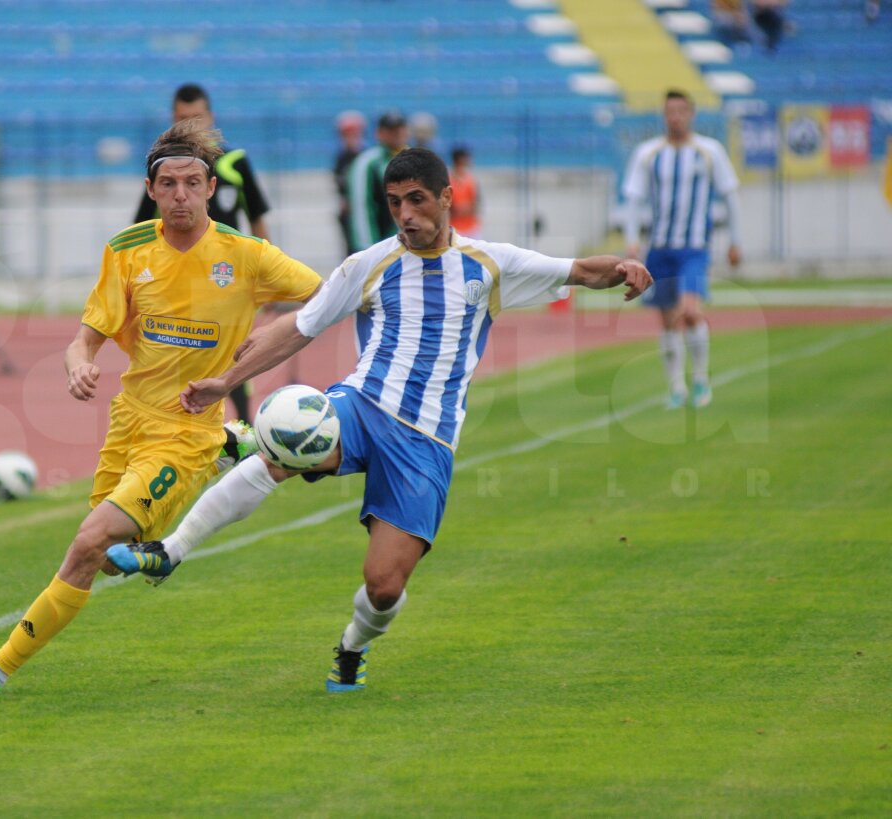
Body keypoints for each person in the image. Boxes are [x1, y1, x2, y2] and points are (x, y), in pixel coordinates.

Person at [107, 148, 652, 692]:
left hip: (426, 441)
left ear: (446, 198)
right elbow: (302, 325)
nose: (405, 214)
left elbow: (580, 271)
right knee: (291, 435)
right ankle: (172, 549)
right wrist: (226, 382)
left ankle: (352, 646)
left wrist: (625, 268)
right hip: (362, 406)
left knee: (384, 586)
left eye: (416, 200)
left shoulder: (490, 264)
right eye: (394, 203)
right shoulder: (369, 265)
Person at [0, 120, 321, 697]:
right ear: (151, 190)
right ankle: (229, 447)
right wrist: (78, 363)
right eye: (168, 184)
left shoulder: (246, 255)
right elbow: (85, 338)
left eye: (192, 183)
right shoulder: (127, 250)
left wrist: (268, 337)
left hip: (185, 431)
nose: (180, 196)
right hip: (129, 421)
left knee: (87, 541)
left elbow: (326, 296)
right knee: (102, 559)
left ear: (210, 187)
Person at [133, 82, 273, 424]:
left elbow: (257, 218)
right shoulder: (165, 169)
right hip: (177, 278)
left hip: (229, 276)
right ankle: (175, 422)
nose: (191, 126)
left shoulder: (234, 162)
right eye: (183, 119)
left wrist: (265, 273)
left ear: (211, 117)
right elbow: (141, 227)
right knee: (179, 352)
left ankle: (242, 428)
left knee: (233, 351)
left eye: (197, 117)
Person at [622, 89, 741, 410]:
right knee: (667, 320)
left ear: (691, 114)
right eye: (670, 112)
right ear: (664, 115)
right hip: (660, 248)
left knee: (689, 311)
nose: (675, 117)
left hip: (694, 248)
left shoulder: (709, 151)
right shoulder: (649, 153)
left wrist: (735, 240)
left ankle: (700, 379)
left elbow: (730, 194)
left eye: (680, 111)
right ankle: (676, 386)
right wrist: (632, 241)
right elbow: (633, 198)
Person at [345, 109, 409, 252]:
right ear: (379, 133)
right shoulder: (367, 162)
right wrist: (367, 249)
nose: (396, 133)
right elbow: (361, 205)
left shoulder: (415, 158)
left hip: (410, 246)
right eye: (391, 130)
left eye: (400, 128)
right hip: (382, 245)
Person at [332, 110, 367, 256]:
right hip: (349, 212)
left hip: (364, 209)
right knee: (350, 250)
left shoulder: (366, 156)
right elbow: (339, 182)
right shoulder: (341, 157)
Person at [448, 146, 481, 238]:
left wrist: (465, 209)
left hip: (471, 228)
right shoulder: (448, 180)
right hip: (454, 229)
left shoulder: (471, 180)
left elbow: (476, 203)